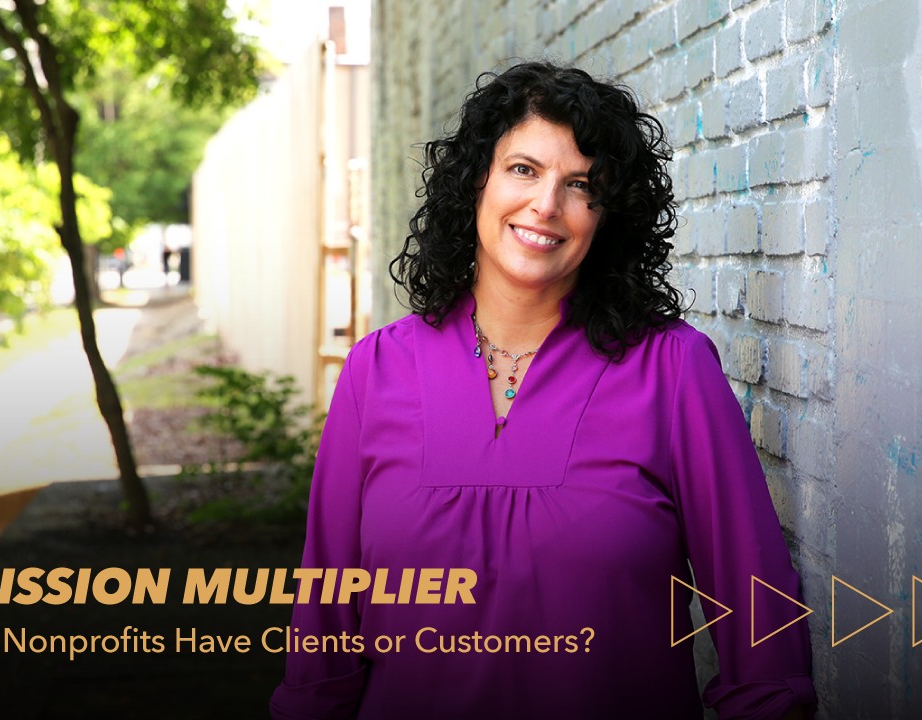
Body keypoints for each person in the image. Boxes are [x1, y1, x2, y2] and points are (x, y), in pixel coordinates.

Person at [270, 62, 816, 720]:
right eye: (523, 169)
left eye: (581, 185)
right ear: (476, 181)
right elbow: (323, 631)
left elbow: (761, 629)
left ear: (607, 215)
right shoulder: (376, 373)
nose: (547, 205)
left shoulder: (672, 373)